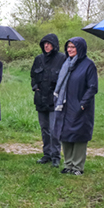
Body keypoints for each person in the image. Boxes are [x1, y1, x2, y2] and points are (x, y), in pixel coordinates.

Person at [53, 37, 98, 175]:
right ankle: (68, 164)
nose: (70, 49)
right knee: (65, 133)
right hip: (65, 105)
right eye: (68, 47)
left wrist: (83, 104)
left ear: (80, 48)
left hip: (80, 105)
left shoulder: (88, 65)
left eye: (73, 47)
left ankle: (77, 167)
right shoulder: (67, 64)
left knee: (79, 135)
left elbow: (92, 87)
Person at [30, 33, 66, 167]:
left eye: (49, 43)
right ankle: (47, 154)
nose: (46, 46)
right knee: (44, 128)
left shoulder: (62, 58)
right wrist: (35, 87)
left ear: (55, 45)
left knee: (54, 129)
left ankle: (56, 156)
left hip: (55, 100)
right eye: (44, 43)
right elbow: (33, 75)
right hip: (40, 99)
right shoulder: (38, 59)